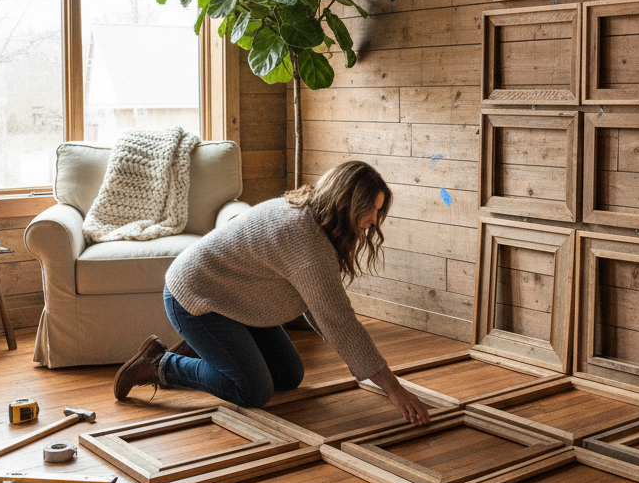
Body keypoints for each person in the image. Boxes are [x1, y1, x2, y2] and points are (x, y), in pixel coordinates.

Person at [112, 160, 431, 426]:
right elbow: (340, 324)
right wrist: (395, 390)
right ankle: (159, 364)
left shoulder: (309, 210)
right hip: (195, 297)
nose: (374, 221)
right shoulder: (308, 241)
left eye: (377, 211)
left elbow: (318, 306)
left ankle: (205, 347)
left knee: (288, 375)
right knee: (253, 391)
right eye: (368, 211)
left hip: (232, 298)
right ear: (346, 202)